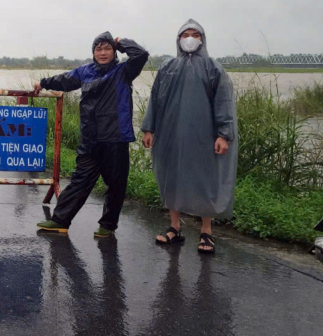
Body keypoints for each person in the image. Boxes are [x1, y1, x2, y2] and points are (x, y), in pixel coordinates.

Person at [35, 32, 149, 237]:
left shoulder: (124, 71)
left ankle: (107, 225)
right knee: (80, 180)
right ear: (93, 52)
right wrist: (43, 83)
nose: (103, 53)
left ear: (114, 52)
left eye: (107, 48)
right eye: (99, 49)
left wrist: (121, 42)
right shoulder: (85, 71)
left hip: (115, 138)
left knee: (115, 184)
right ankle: (60, 220)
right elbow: (64, 80)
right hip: (90, 138)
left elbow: (141, 54)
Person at [142, 19, 237, 254]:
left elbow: (223, 103)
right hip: (170, 133)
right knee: (171, 177)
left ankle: (206, 231)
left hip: (204, 134)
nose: (190, 38)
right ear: (178, 39)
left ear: (202, 39)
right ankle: (174, 227)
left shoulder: (214, 68)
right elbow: (155, 98)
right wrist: (148, 128)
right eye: (186, 34)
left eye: (195, 34)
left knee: (206, 179)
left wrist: (223, 134)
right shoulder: (167, 68)